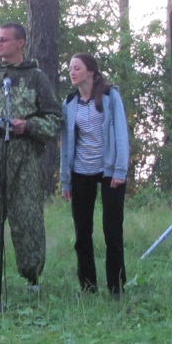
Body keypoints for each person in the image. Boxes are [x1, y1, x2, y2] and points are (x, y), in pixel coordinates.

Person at [0, 22, 62, 294]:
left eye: (4, 39)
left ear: (20, 43)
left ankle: (32, 278)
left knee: (28, 217)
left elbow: (54, 119)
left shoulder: (37, 79)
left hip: (26, 158)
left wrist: (28, 127)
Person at [60, 53, 129, 299]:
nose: (72, 72)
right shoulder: (69, 102)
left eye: (76, 68)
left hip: (110, 171)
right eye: (70, 68)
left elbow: (120, 132)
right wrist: (65, 180)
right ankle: (88, 286)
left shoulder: (110, 96)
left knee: (112, 231)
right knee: (82, 232)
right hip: (80, 171)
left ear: (90, 71)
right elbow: (66, 144)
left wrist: (120, 169)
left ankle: (116, 287)